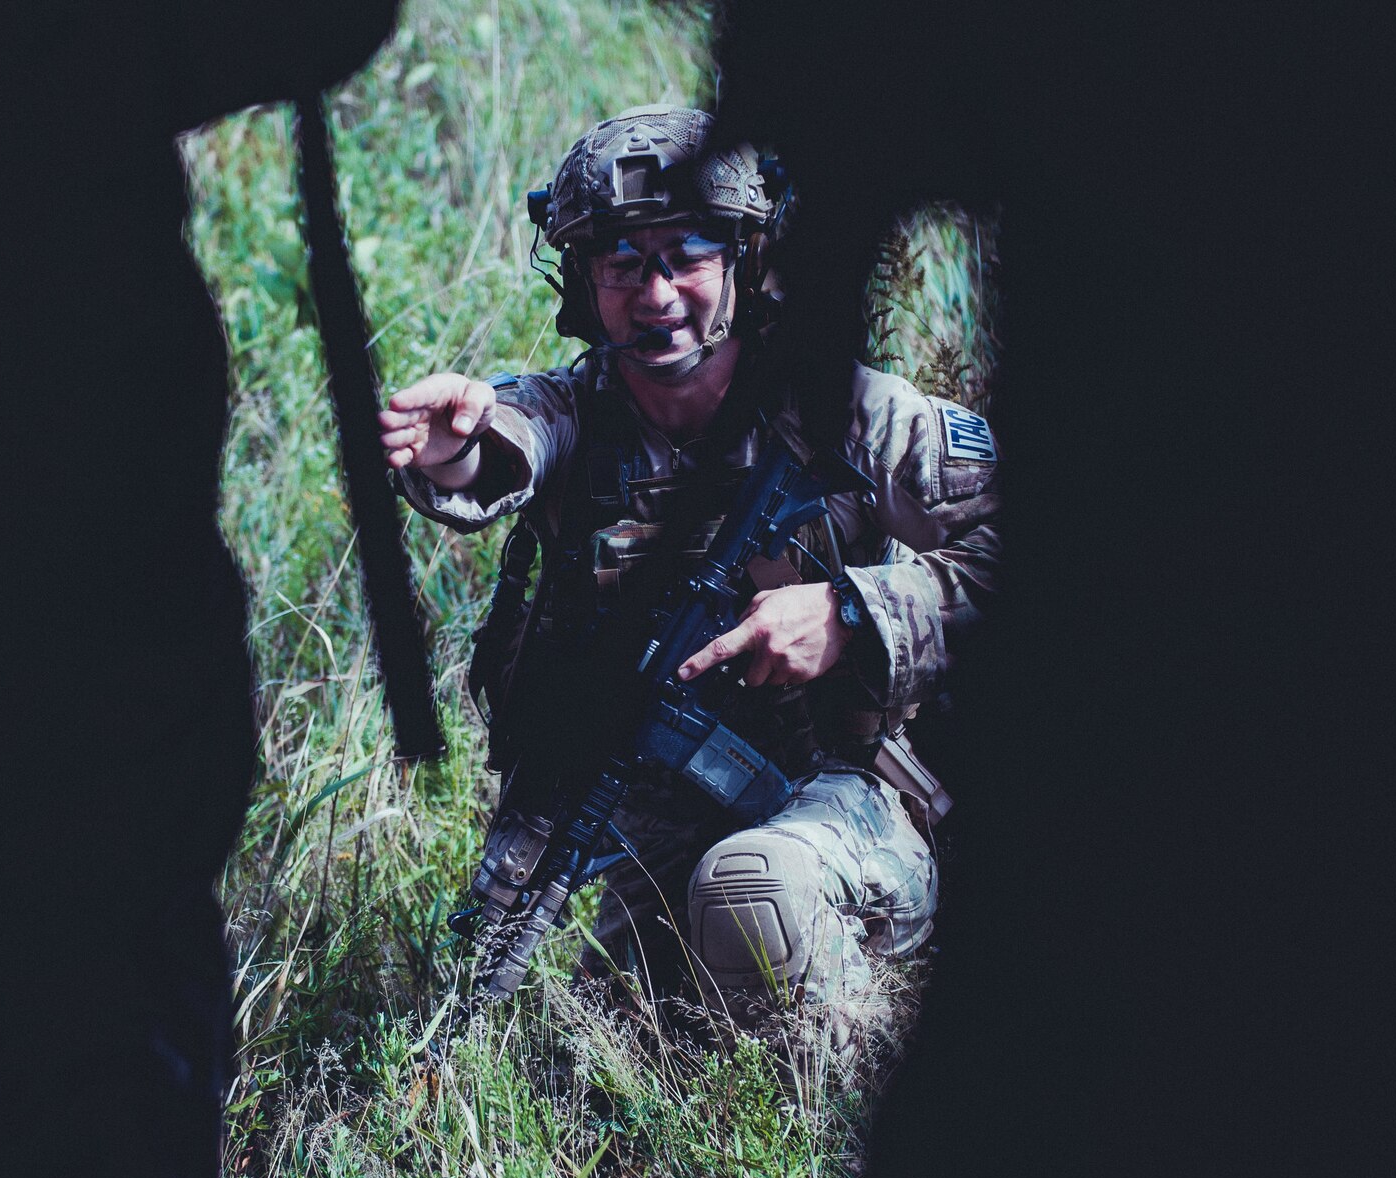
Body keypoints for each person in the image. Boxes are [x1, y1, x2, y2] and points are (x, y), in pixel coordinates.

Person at [377, 105, 1003, 1038]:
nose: (658, 292)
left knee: (755, 894)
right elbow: (506, 443)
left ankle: (815, 1126)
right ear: (587, 283)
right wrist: (454, 452)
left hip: (844, 800)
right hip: (639, 801)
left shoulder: (848, 414)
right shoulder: (576, 415)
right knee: (502, 1012)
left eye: (690, 254)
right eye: (623, 262)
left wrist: (852, 613)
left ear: (746, 262)